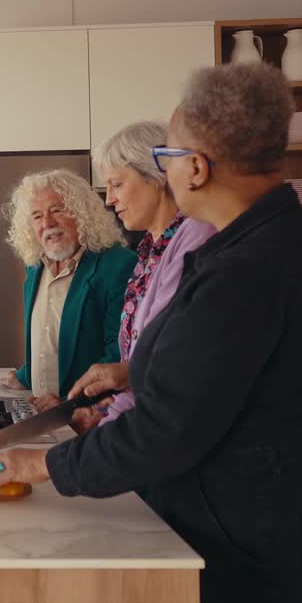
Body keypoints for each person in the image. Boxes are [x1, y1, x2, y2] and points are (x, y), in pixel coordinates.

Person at [0, 64, 302, 603]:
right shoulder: (265, 243)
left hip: (274, 536)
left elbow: (168, 426)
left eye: (166, 159)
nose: (161, 175)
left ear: (194, 168)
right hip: (271, 517)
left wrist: (45, 465)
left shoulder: (247, 268)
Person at [84, 120, 216, 430]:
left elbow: (169, 361)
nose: (109, 200)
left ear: (157, 176)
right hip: (151, 427)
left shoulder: (196, 236)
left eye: (117, 184)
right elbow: (140, 363)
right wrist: (107, 414)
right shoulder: (148, 250)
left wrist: (105, 436)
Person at [0, 169, 136, 410]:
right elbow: (47, 338)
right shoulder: (35, 268)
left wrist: (70, 403)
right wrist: (25, 376)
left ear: (82, 213)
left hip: (93, 416)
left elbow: (120, 353)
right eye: (37, 216)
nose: (48, 224)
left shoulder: (119, 265)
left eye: (57, 211)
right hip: (42, 411)